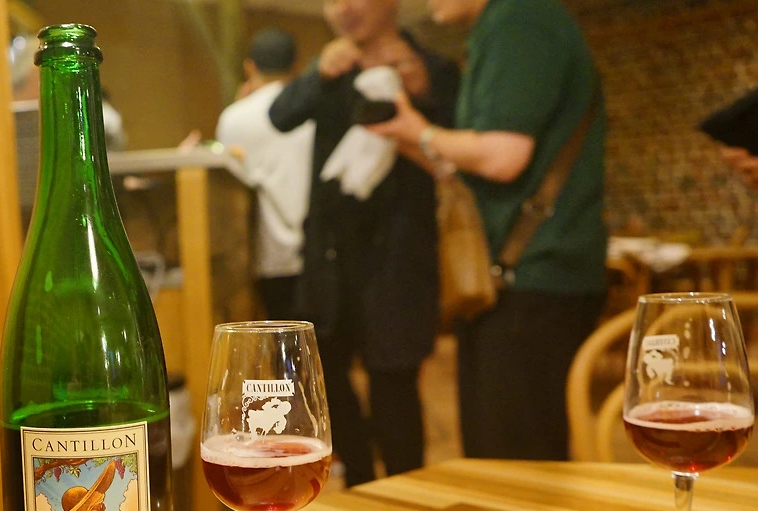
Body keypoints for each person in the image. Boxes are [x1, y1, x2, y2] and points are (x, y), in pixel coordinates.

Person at [369, 0, 608, 461]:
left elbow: (501, 157)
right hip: (510, 276)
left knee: (514, 467)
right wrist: (402, 135)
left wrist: (421, 132)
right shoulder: (502, 24)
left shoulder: (520, 18)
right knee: (494, 457)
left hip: (533, 274)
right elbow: (471, 172)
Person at [269, 0, 460, 484]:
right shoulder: (332, 68)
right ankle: (358, 481)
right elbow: (281, 114)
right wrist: (318, 73)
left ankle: (405, 492)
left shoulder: (431, 68)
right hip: (330, 257)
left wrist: (422, 88)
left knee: (394, 384)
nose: (344, 8)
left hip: (398, 254)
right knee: (325, 376)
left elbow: (458, 133)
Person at [215, 28, 315, 320]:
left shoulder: (235, 117)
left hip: (272, 252)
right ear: (296, 66)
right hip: (321, 248)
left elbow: (231, 180)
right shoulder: (312, 109)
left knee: (280, 336)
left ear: (249, 67)